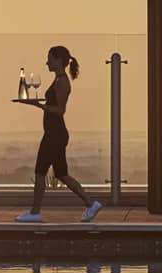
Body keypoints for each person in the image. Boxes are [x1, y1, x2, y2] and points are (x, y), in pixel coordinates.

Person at [16, 46, 103, 223]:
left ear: (58, 60)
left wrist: (39, 105)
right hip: (55, 133)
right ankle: (91, 203)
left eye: (49, 59)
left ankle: (35, 212)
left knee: (40, 172)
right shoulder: (58, 80)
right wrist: (39, 104)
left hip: (54, 135)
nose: (46, 62)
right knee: (62, 174)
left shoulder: (62, 82)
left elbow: (60, 110)